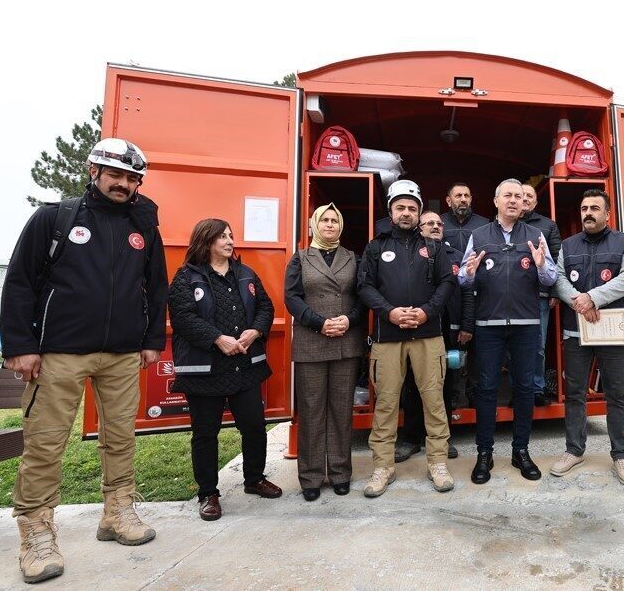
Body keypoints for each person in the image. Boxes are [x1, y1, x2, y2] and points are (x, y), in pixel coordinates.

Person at [0, 138, 166, 584]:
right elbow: (19, 282)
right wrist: (20, 346)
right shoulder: (55, 218)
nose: (124, 184)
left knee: (121, 436)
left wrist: (151, 339)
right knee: (46, 442)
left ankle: (117, 511)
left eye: (133, 178)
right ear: (93, 170)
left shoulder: (143, 225)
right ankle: (36, 532)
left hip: (121, 353)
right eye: (116, 174)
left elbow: (155, 284)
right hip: (58, 352)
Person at [168, 219, 281, 522]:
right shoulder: (186, 278)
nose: (230, 241)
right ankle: (208, 493)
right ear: (205, 241)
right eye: (223, 237)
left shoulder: (245, 274)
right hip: (205, 371)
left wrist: (255, 332)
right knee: (206, 433)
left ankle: (254, 479)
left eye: (231, 236)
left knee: (255, 426)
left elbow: (265, 308)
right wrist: (217, 339)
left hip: (244, 366)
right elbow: (182, 318)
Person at [357, 180, 457, 497]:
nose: (406, 213)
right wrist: (389, 312)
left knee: (433, 401)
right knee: (386, 403)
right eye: (400, 207)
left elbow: (446, 283)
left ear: (418, 213)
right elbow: (364, 287)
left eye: (412, 208)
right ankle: (383, 467)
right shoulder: (375, 247)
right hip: (388, 337)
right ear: (390, 211)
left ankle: (438, 463)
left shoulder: (434, 248)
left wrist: (427, 312)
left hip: (428, 335)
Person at [459, 178, 556, 484]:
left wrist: (541, 266)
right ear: (496, 201)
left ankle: (521, 451)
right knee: (487, 390)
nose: (514, 200)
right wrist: (469, 274)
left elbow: (551, 277)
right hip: (488, 326)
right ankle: (484, 453)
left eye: (519, 196)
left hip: (526, 325)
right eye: (508, 196)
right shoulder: (479, 235)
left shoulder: (535, 234)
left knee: (525, 388)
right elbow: (463, 278)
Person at [549, 189, 624, 486]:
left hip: (611, 330)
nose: (588, 213)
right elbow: (558, 279)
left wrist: (593, 298)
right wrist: (578, 300)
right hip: (576, 331)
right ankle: (574, 450)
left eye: (595, 208)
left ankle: (622, 455)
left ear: (607, 213)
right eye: (584, 207)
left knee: (616, 394)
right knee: (575, 393)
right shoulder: (567, 244)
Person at [284, 203, 366, 500]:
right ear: (315, 225)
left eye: (335, 220)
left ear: (340, 226)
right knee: (312, 411)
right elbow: (291, 298)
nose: (330, 225)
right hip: (312, 341)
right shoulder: (300, 258)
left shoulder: (353, 258)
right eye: (325, 220)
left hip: (346, 341)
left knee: (341, 411)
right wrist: (319, 323)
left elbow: (362, 296)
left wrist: (349, 319)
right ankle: (311, 477)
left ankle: (341, 472)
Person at [394, 210, 474, 463]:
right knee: (412, 386)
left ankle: (441, 438)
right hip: (414, 330)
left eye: (439, 223)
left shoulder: (457, 257)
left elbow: (468, 294)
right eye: (430, 223)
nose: (436, 226)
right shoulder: (408, 254)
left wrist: (466, 326)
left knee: (445, 385)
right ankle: (410, 438)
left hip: (449, 331)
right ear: (419, 228)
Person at [520, 182, 563, 406]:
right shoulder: (504, 223)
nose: (525, 199)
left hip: (540, 295)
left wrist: (555, 290)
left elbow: (558, 259)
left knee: (537, 344)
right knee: (510, 346)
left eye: (530, 196)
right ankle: (519, 389)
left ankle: (536, 389)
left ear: (536, 202)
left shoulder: (547, 226)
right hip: (509, 296)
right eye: (522, 195)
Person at [441, 182, 489, 253]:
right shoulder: (439, 223)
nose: (463, 199)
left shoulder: (484, 224)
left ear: (471, 199)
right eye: (458, 195)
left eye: (466, 196)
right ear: (449, 201)